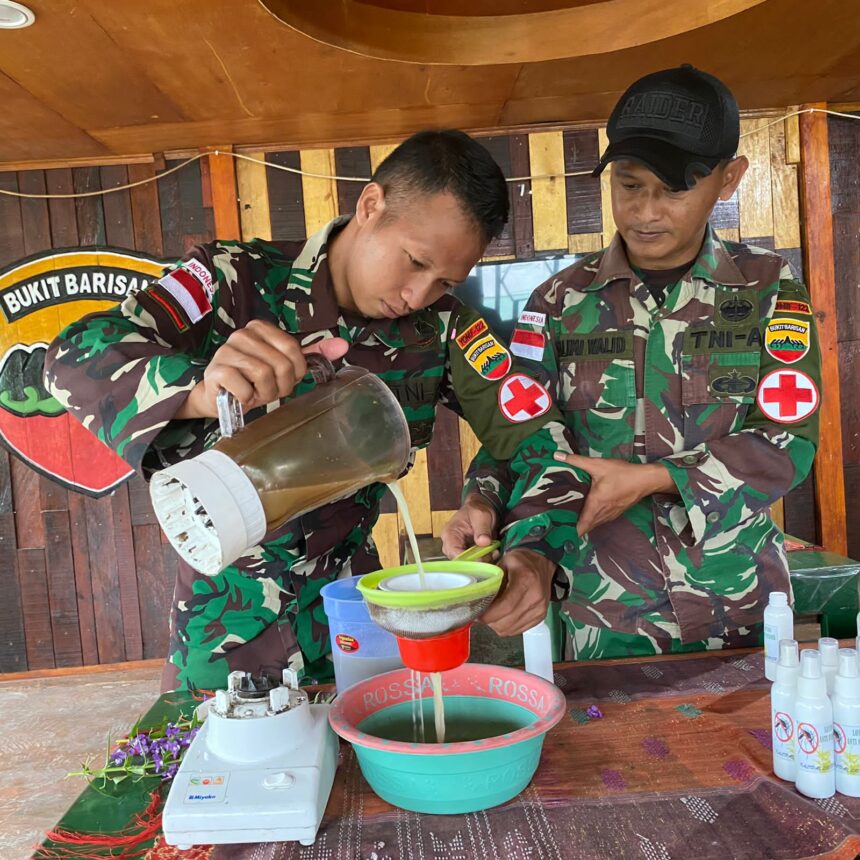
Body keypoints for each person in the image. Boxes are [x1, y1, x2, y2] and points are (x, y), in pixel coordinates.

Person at [45, 129, 574, 690]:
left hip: (352, 618)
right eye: (415, 262)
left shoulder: (444, 328)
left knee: (367, 757)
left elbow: (539, 442)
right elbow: (72, 355)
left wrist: (528, 542)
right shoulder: (234, 279)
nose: (418, 295)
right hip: (226, 624)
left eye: (443, 279)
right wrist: (200, 387)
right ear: (370, 205)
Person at [444, 66, 821, 659]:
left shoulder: (768, 289)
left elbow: (789, 440)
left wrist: (657, 478)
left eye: (673, 191)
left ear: (729, 179)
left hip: (734, 603)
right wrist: (483, 499)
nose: (645, 212)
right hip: (600, 610)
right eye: (628, 185)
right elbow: (521, 434)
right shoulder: (557, 303)